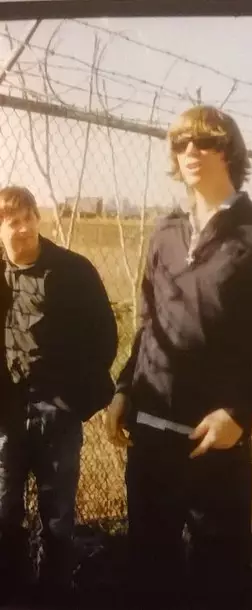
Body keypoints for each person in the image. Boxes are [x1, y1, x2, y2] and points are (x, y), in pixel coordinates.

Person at [105, 104, 252, 608]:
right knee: (148, 573)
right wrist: (124, 389)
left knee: (217, 581)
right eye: (181, 143)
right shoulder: (164, 232)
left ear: (230, 150)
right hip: (149, 435)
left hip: (214, 443)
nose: (191, 151)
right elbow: (149, 325)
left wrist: (239, 414)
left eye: (205, 141)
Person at [0, 186, 118, 605]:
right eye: (12, 221)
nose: (24, 228)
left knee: (58, 517)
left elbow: (104, 339)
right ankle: (11, 591)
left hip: (57, 414)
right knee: (3, 511)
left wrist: (75, 401)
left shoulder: (72, 271)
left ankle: (54, 594)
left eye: (29, 217)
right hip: (5, 415)